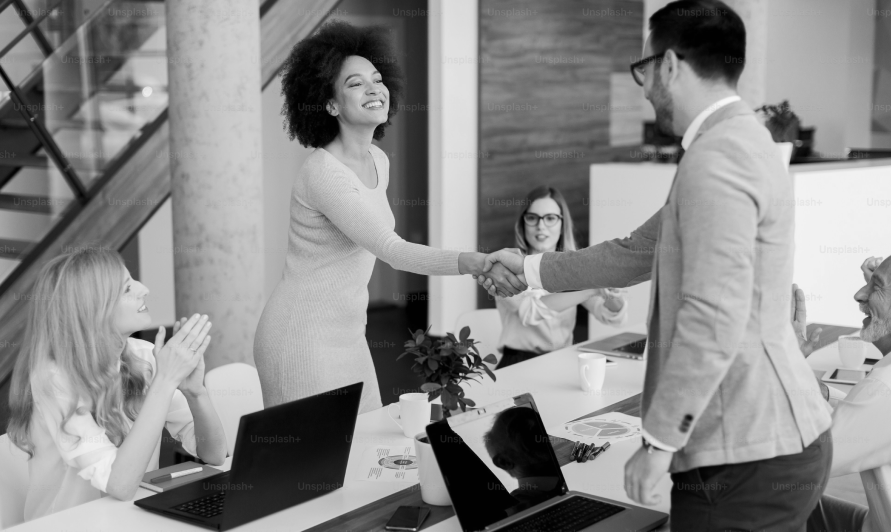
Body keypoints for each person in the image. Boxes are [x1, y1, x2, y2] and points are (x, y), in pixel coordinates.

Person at [478, 1, 832, 529]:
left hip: (746, 449)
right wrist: (530, 269)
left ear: (669, 65)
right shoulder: (730, 144)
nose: (643, 89)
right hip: (762, 442)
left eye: (643, 70)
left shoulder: (719, 157)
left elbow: (712, 315)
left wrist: (661, 442)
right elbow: (633, 251)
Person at [253, 22, 514, 414]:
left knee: (368, 445)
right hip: (300, 336)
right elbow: (392, 249)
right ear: (330, 104)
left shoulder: (378, 159)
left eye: (377, 79)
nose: (375, 88)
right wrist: (474, 261)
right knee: (314, 464)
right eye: (356, 83)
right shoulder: (323, 173)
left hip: (350, 332)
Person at [6, 247, 226, 521]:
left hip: (130, 519)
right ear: (91, 309)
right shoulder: (55, 380)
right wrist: (166, 381)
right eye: (126, 289)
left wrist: (195, 392)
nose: (144, 289)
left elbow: (215, 454)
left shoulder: (145, 357)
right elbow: (119, 485)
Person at [793, 256, 890, 532]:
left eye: (876, 286)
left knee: (758, 492)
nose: (859, 294)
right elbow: (863, 415)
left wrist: (782, 363)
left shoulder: (884, 389)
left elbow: (800, 465)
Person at [494, 186, 627, 368]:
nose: (541, 226)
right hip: (519, 363)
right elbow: (530, 311)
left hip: (562, 361)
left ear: (562, 225)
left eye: (550, 218)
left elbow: (613, 318)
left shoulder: (572, 265)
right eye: (533, 218)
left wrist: (611, 291)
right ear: (523, 223)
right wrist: (592, 289)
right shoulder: (505, 269)